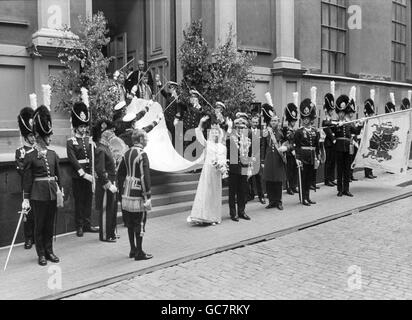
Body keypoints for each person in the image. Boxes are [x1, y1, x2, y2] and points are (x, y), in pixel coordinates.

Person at [22, 105, 61, 266]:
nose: (50, 139)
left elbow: (57, 176)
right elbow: (27, 179)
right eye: (48, 136)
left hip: (51, 193)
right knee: (40, 225)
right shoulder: (30, 156)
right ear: (41, 137)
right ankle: (41, 254)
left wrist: (60, 191)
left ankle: (49, 250)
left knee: (49, 224)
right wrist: (26, 198)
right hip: (38, 195)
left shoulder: (53, 154)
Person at [118, 130, 153, 261]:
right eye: (146, 138)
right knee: (140, 222)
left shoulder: (126, 153)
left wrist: (122, 189)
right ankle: (139, 252)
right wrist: (147, 195)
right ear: (140, 140)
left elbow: (120, 173)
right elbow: (145, 176)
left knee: (130, 223)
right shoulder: (142, 154)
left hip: (126, 193)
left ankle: (133, 249)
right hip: (138, 193)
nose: (147, 141)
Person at [67, 102, 99, 237]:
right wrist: (83, 174)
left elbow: (93, 157)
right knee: (79, 202)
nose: (83, 129)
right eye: (81, 126)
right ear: (76, 127)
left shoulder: (89, 140)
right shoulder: (71, 141)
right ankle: (79, 226)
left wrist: (92, 173)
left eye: (84, 126)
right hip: (78, 176)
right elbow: (73, 160)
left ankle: (87, 224)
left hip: (90, 175)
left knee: (88, 201)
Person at [188, 116, 227, 225]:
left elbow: (222, 156)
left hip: (216, 172)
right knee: (206, 192)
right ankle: (204, 216)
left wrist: (222, 166)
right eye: (213, 132)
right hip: (208, 171)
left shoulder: (220, 146)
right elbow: (199, 134)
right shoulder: (207, 144)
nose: (215, 134)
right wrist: (201, 122)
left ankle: (214, 217)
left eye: (217, 132)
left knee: (215, 193)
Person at [332, 95, 363, 197]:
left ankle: (346, 189)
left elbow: (356, 131)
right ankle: (340, 190)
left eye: (343, 113)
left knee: (347, 169)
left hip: (348, 148)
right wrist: (338, 126)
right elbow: (332, 129)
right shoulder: (335, 122)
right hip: (339, 148)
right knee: (340, 170)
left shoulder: (349, 123)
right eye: (340, 113)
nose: (341, 114)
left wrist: (360, 124)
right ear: (338, 113)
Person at [93, 120, 118, 242]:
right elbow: (100, 169)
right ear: (104, 133)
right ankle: (105, 235)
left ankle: (111, 232)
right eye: (110, 131)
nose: (112, 133)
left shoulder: (106, 147)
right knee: (106, 210)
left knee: (111, 209)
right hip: (105, 184)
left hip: (112, 181)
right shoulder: (100, 149)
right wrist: (108, 184)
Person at [16, 106, 36, 249]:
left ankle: (37, 236)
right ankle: (29, 238)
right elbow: (22, 170)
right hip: (27, 186)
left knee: (39, 213)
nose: (33, 138)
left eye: (33, 135)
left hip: (39, 186)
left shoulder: (38, 150)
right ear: (25, 137)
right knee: (28, 214)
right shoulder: (20, 151)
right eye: (30, 136)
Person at [294, 99, 321, 206]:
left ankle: (308, 197)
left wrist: (317, 157)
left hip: (311, 157)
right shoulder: (299, 132)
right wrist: (297, 158)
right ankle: (303, 198)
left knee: (309, 178)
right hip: (303, 156)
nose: (305, 120)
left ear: (310, 119)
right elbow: (297, 146)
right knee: (303, 178)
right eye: (304, 119)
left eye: (307, 119)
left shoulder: (315, 132)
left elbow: (317, 146)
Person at [227, 113, 252, 221]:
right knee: (232, 192)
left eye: (243, 128)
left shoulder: (247, 140)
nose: (241, 130)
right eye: (239, 127)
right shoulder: (230, 138)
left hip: (244, 166)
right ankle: (233, 213)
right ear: (235, 127)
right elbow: (227, 154)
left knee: (243, 190)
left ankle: (242, 211)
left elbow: (249, 154)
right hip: (233, 167)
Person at [262, 115, 288, 210]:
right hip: (269, 158)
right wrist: (262, 160)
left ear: (278, 122)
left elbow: (286, 142)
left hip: (278, 158)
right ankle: (271, 201)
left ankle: (278, 201)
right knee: (269, 181)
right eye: (272, 121)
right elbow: (263, 146)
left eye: (275, 121)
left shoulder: (281, 131)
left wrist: (285, 148)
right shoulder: (266, 132)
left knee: (278, 181)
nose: (273, 122)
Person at [248, 116, 266, 204]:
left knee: (259, 178)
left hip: (257, 158)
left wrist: (260, 157)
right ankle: (250, 195)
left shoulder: (260, 132)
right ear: (250, 122)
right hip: (248, 159)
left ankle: (261, 196)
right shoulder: (247, 132)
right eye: (253, 122)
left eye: (256, 122)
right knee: (249, 178)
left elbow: (262, 146)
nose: (255, 124)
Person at [282, 102, 299, 196]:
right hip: (288, 152)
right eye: (292, 120)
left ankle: (294, 186)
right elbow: (286, 140)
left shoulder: (295, 129)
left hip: (295, 151)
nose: (293, 122)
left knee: (295, 170)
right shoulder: (285, 128)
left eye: (294, 120)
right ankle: (289, 187)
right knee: (289, 171)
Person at [322, 92, 337, 187]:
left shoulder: (331, 119)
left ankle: (331, 178)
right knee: (328, 162)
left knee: (332, 161)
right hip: (328, 142)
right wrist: (333, 138)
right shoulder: (325, 119)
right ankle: (327, 179)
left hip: (333, 143)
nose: (332, 111)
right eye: (331, 110)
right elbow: (327, 130)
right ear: (328, 110)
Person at [363, 90, 377, 179]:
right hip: (367, 139)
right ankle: (367, 172)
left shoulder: (373, 117)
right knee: (368, 156)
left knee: (372, 155)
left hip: (373, 139)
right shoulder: (366, 119)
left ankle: (370, 171)